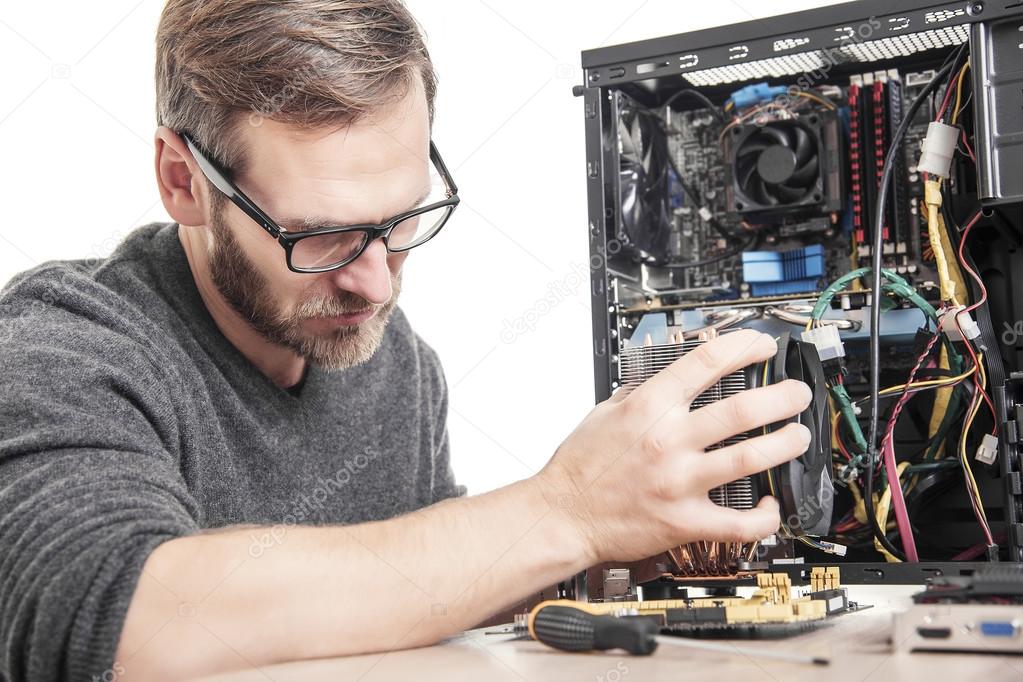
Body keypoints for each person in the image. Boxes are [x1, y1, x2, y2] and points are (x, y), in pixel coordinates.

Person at [0, 1, 813, 679]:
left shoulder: (393, 362)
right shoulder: (63, 346)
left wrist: (617, 549)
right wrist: (564, 511)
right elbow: (115, 616)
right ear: (183, 180)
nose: (377, 285)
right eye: (319, 237)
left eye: (400, 222)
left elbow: (423, 580)